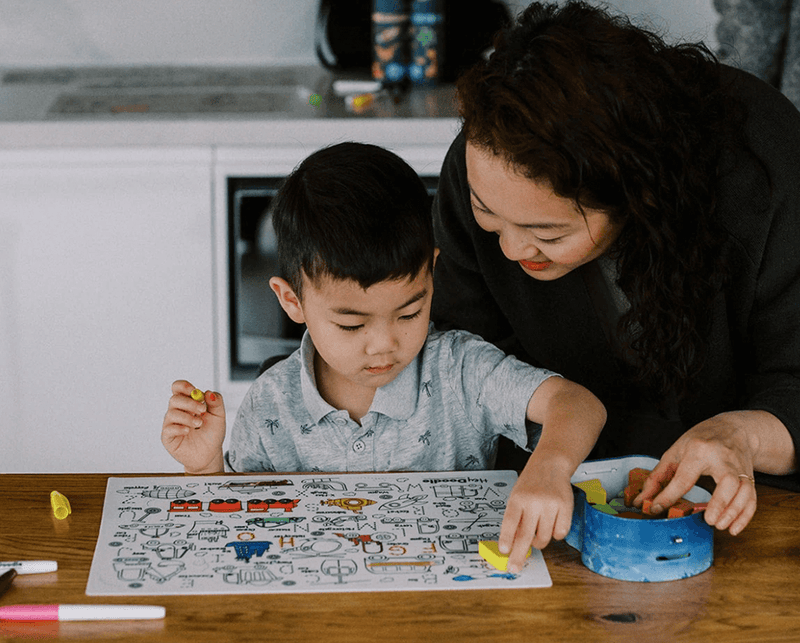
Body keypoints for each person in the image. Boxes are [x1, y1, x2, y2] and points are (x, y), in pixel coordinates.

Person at [431, 0, 800, 537]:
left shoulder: (766, 173)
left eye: (548, 233)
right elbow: (465, 361)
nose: (510, 250)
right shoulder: (482, 163)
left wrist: (741, 435)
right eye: (489, 217)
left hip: (745, 515)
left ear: (636, 194)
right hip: (548, 506)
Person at [162, 142, 606, 570]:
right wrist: (203, 468)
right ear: (292, 301)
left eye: (409, 312)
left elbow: (579, 405)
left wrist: (549, 466)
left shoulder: (461, 370)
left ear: (432, 273)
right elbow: (239, 529)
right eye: (352, 324)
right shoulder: (271, 401)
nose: (383, 345)